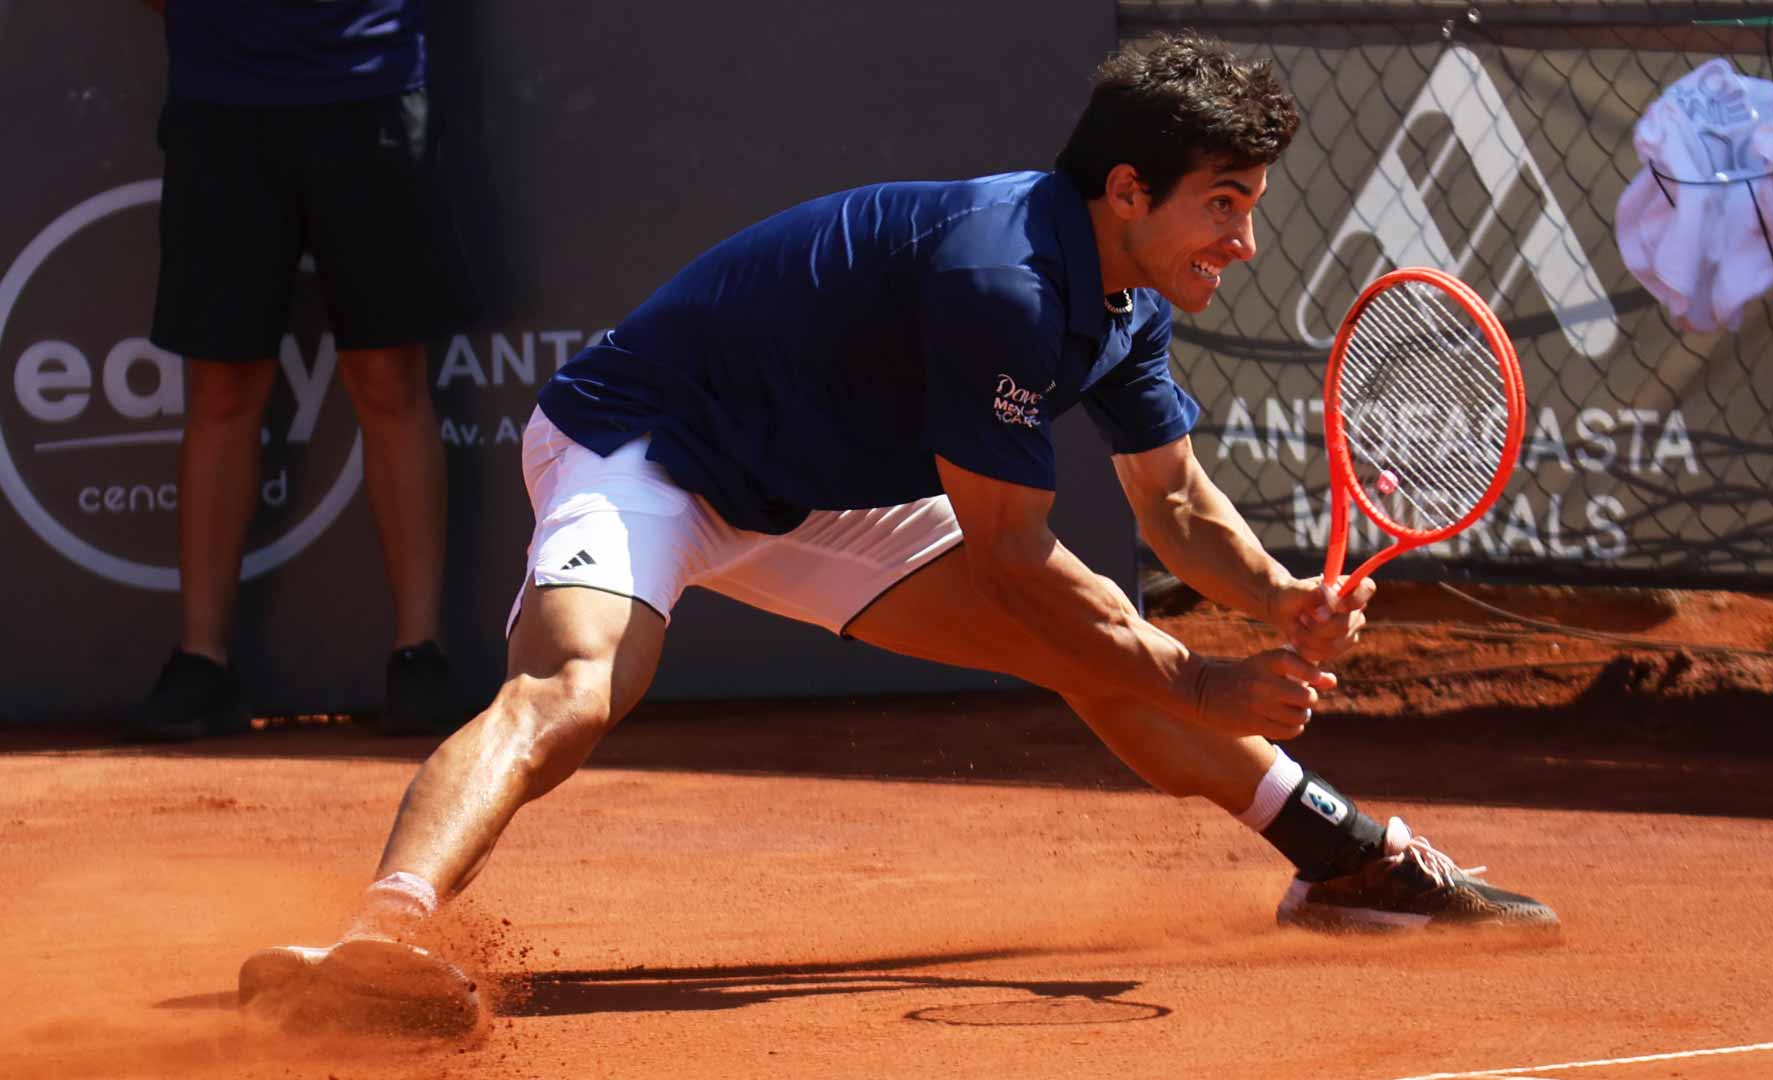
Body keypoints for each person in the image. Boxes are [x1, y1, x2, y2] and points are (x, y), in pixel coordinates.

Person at [235, 32, 1558, 1036]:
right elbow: (1014, 560)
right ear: (1126, 189)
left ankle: (1341, 857)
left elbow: (1176, 505)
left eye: (1251, 203)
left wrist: (1277, 600)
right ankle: (381, 939)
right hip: (652, 445)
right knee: (580, 683)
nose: (1246, 241)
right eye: (1224, 202)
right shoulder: (1002, 278)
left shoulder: (1128, 300)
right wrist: (1208, 677)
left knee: (1098, 645)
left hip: (821, 488)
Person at [126, 0, 472, 742]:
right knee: (221, 384)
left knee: (390, 376)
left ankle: (419, 657)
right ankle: (202, 664)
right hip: (220, 103)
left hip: (370, 86)